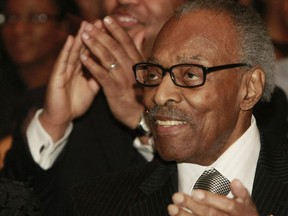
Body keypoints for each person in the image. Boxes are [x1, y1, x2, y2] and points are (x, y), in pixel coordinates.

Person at [66, 0, 288, 215]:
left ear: (250, 88)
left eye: (190, 75)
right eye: (153, 74)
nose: (160, 96)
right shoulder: (97, 204)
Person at [1, 0, 186, 215]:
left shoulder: (215, 97)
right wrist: (53, 125)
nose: (124, 0)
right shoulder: (60, 99)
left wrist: (143, 121)